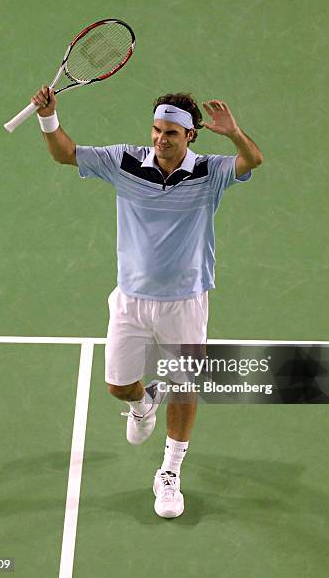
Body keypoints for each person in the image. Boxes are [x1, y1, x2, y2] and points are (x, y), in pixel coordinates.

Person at [31, 86, 263, 518]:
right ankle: (142, 404)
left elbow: (252, 161)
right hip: (131, 300)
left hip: (185, 302)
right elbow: (66, 153)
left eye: (172, 132)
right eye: (157, 129)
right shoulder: (125, 162)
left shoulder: (209, 172)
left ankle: (170, 472)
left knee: (185, 387)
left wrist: (234, 133)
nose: (161, 138)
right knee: (119, 386)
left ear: (191, 136)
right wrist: (49, 116)